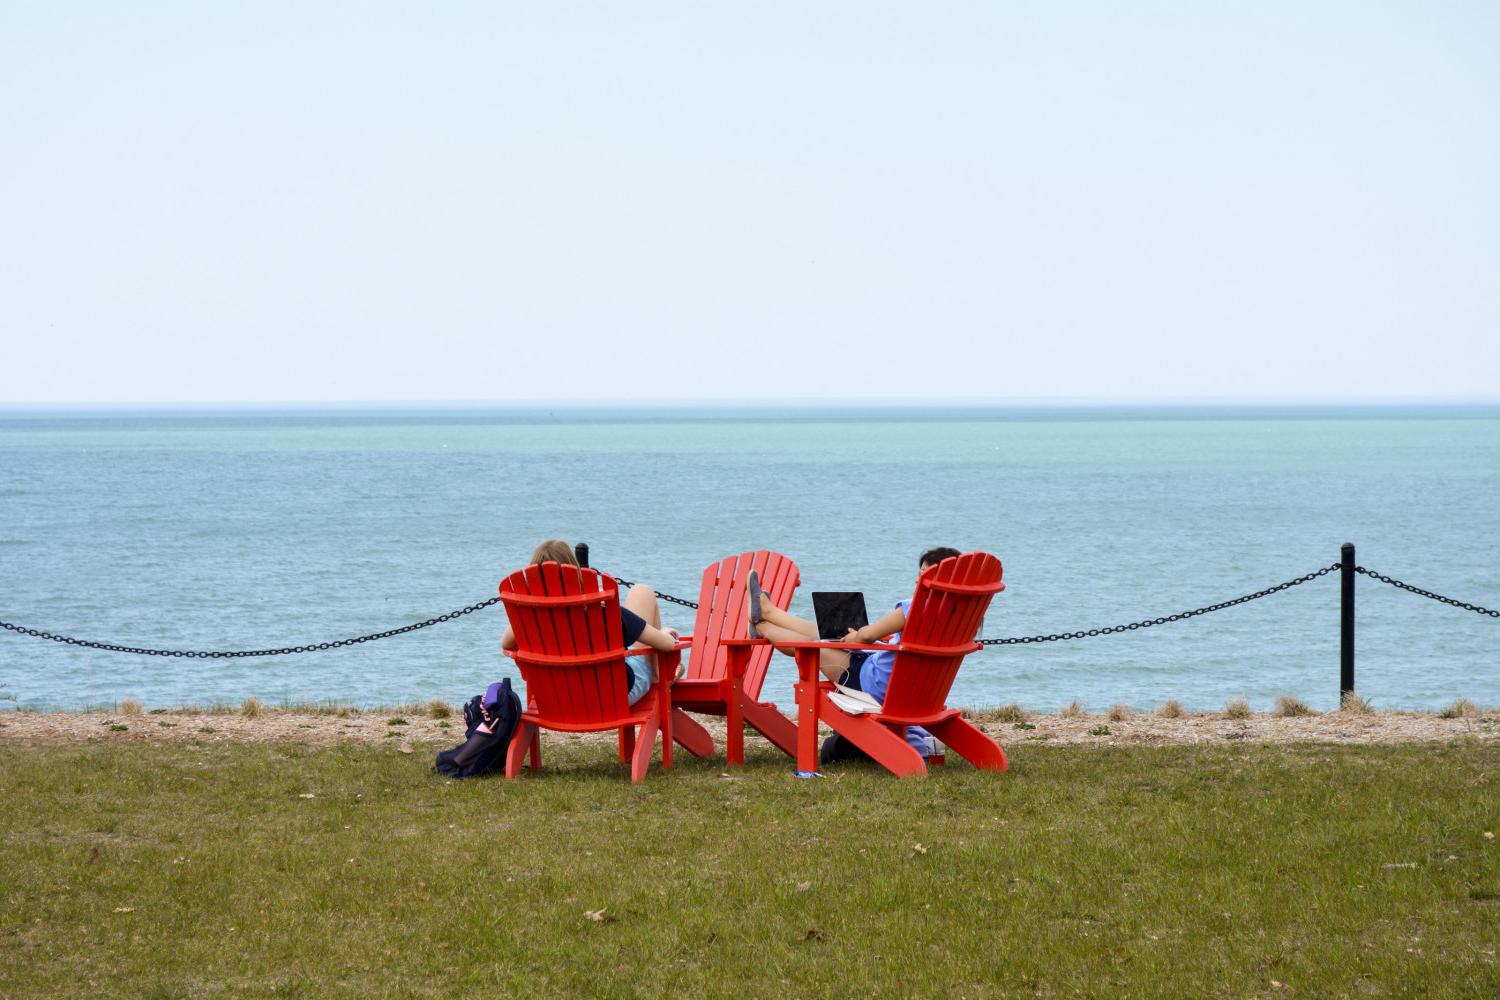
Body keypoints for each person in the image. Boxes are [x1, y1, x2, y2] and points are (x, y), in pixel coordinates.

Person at [748, 547, 963, 761]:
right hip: (919, 692)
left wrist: (857, 638)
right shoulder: (963, 617)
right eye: (919, 574)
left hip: (876, 685)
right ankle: (769, 612)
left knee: (812, 646)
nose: (918, 581)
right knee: (827, 634)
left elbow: (868, 635)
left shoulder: (913, 608)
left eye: (924, 575)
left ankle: (761, 627)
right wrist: (859, 638)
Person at [499, 540, 679, 706]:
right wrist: (664, 633)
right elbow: (667, 645)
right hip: (614, 697)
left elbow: (505, 643)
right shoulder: (602, 610)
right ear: (575, 570)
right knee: (642, 592)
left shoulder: (529, 617)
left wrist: (526, 609)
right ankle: (658, 677)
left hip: (559, 700)